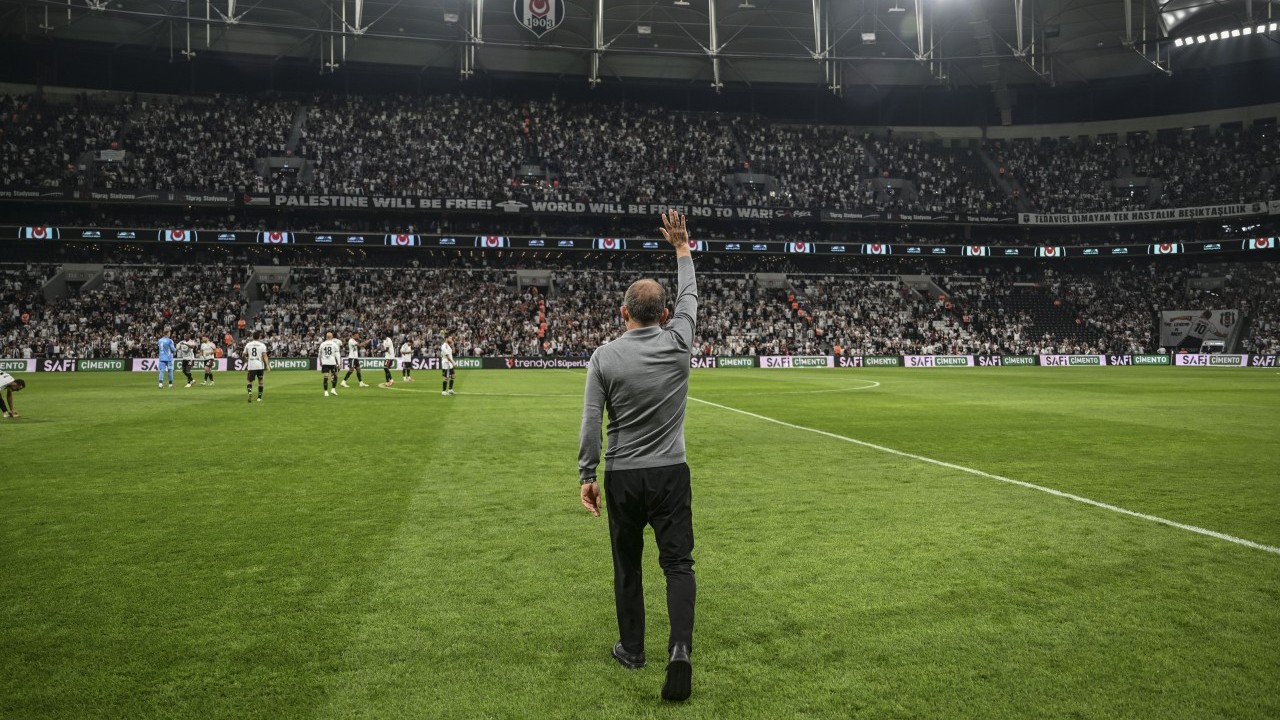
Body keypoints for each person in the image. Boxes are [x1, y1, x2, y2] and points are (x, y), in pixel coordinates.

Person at [578, 209, 698, 702]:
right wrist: (682, 248)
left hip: (622, 475)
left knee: (627, 565)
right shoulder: (678, 342)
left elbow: (590, 423)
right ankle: (680, 649)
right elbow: (690, 296)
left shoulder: (604, 357)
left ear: (623, 314)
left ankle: (632, 649)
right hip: (671, 471)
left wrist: (587, 473)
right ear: (665, 315)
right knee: (679, 565)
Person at [244, 330, 270, 403]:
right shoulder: (262, 345)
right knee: (260, 381)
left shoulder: (248, 344)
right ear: (259, 337)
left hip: (251, 365)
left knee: (249, 381)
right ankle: (259, 398)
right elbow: (265, 356)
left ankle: (249, 392)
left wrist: (246, 358)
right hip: (259, 365)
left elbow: (243, 354)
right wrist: (267, 365)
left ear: (252, 337)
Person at [319, 331, 342, 397]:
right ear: (332, 337)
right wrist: (339, 363)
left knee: (326, 377)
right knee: (334, 376)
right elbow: (337, 354)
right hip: (332, 362)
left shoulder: (322, 344)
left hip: (325, 363)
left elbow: (319, 354)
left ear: (326, 337)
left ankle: (326, 392)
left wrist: (320, 361)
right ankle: (333, 389)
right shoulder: (334, 344)